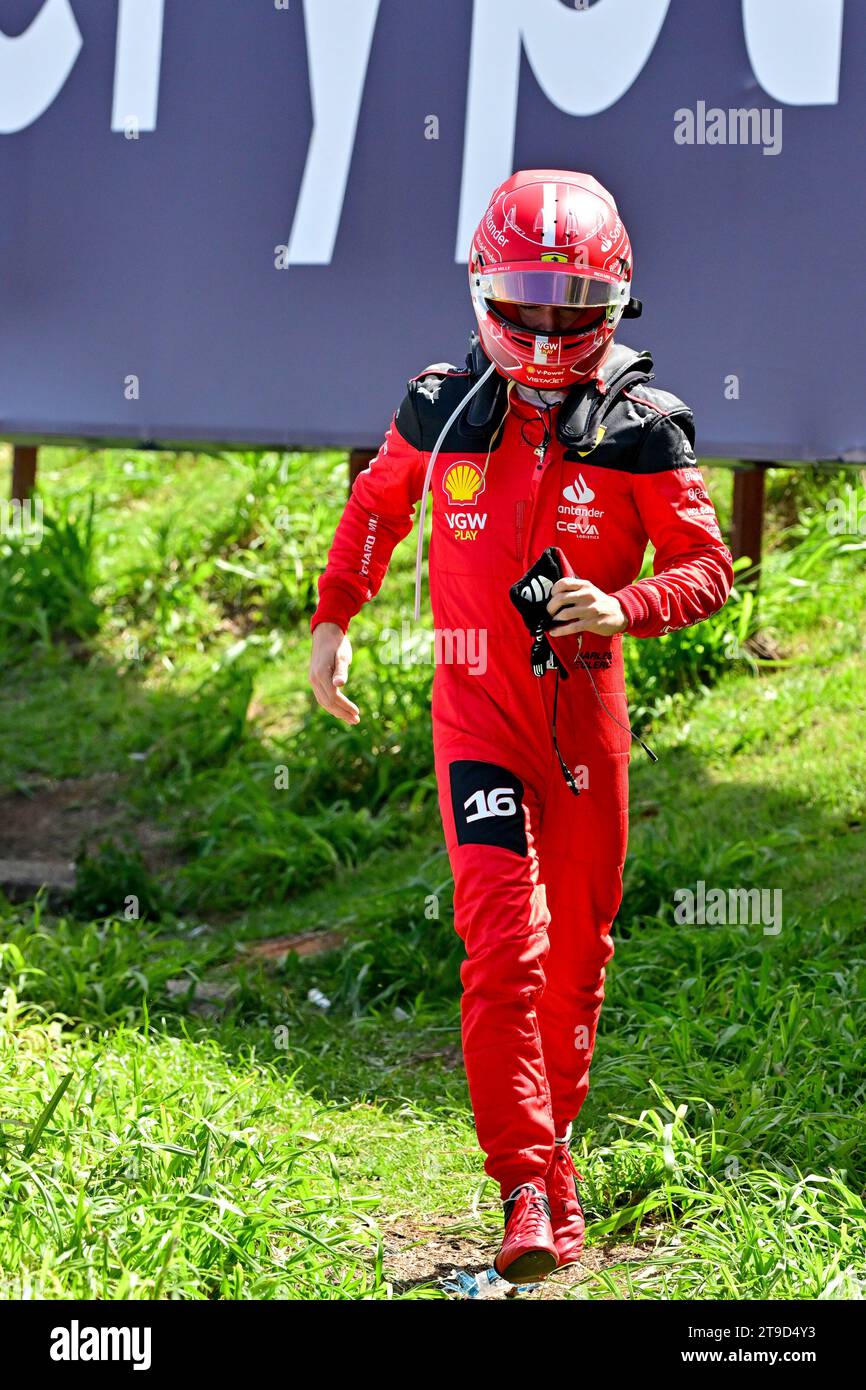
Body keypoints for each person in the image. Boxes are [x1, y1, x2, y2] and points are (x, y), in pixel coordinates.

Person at [309, 170, 733, 1285]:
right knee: (504, 949)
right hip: (476, 719)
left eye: (573, 298)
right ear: (482, 288)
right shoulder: (436, 405)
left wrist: (623, 606)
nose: (547, 322)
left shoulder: (645, 426)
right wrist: (332, 620)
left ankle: (556, 1167)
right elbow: (374, 507)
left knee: (575, 966)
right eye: (527, 295)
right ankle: (525, 1189)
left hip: (588, 732)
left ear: (617, 298)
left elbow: (706, 568)